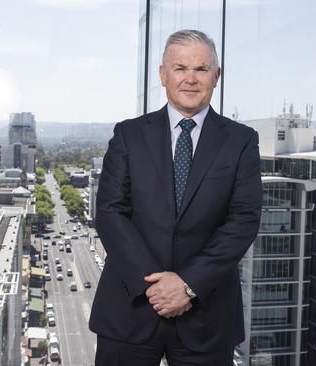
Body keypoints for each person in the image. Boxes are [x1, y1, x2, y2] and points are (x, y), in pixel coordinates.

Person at [90, 29, 263, 366]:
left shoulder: (241, 141)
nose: (190, 79)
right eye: (180, 68)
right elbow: (110, 212)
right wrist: (156, 287)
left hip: (207, 315)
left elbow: (243, 220)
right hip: (131, 307)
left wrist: (187, 285)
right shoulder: (128, 134)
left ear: (217, 77)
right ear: (163, 75)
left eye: (201, 69)